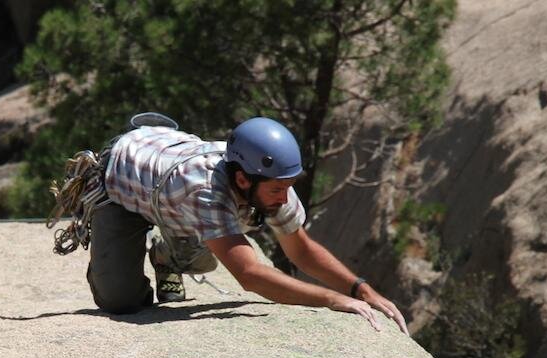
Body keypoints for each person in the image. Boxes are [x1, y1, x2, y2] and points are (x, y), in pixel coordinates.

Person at [77, 115, 409, 334]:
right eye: (279, 189)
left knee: (204, 259)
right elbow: (249, 276)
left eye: (288, 186)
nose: (285, 197)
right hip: (122, 183)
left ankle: (165, 256)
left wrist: (360, 289)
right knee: (120, 301)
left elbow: (301, 250)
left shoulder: (269, 182)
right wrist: (333, 300)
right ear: (243, 179)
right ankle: (115, 258)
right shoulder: (203, 191)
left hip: (169, 193)